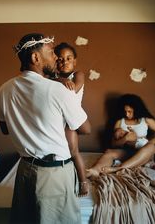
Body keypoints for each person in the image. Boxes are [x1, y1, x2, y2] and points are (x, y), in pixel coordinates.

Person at [0, 33, 91, 224]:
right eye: (51, 52)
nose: (56, 57)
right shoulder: (57, 90)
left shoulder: (4, 89)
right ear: (35, 57)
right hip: (54, 174)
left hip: (24, 171)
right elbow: (85, 128)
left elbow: (5, 129)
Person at [86, 93, 155, 178]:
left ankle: (117, 168)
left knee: (151, 147)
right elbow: (113, 144)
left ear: (137, 109)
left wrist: (148, 143)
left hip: (143, 153)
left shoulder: (145, 120)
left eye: (129, 112)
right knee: (109, 152)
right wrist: (125, 138)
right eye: (125, 111)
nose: (127, 114)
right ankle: (95, 170)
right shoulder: (120, 122)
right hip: (127, 152)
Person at [54, 42, 88, 196]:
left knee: (74, 151)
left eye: (68, 58)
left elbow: (73, 89)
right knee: (58, 151)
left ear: (75, 61)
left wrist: (64, 81)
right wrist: (60, 80)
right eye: (60, 59)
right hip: (57, 118)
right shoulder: (52, 77)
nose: (64, 62)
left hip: (71, 116)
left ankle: (83, 182)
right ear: (55, 61)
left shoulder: (78, 74)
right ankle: (61, 180)